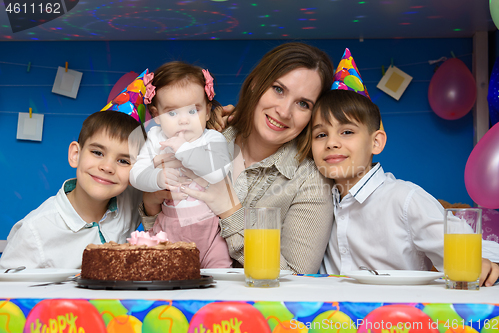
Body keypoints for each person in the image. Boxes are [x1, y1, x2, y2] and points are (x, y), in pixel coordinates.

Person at [144, 42, 336, 274]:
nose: (284, 112)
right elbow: (160, 237)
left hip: (254, 309)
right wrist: (151, 203)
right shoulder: (203, 139)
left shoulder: (309, 180)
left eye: (303, 104)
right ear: (256, 84)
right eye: (278, 89)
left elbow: (298, 278)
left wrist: (229, 210)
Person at [301, 89, 499, 287]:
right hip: (332, 315)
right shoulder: (315, 201)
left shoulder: (405, 199)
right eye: (321, 135)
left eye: (347, 132)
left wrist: (487, 263)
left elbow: (483, 253)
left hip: (399, 314)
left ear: (376, 142)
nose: (331, 143)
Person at [0, 111, 147, 269]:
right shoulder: (34, 231)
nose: (107, 167)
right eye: (97, 153)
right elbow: (7, 289)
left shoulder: (132, 201)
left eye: (123, 161)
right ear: (75, 155)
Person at [130, 61, 232, 269]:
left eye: (193, 111)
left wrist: (184, 150)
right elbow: (136, 175)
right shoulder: (155, 138)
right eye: (173, 113)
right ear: (156, 115)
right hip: (170, 229)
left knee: (221, 276)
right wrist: (157, 178)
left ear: (207, 111)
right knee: (165, 274)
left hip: (211, 230)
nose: (184, 120)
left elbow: (217, 173)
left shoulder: (212, 139)